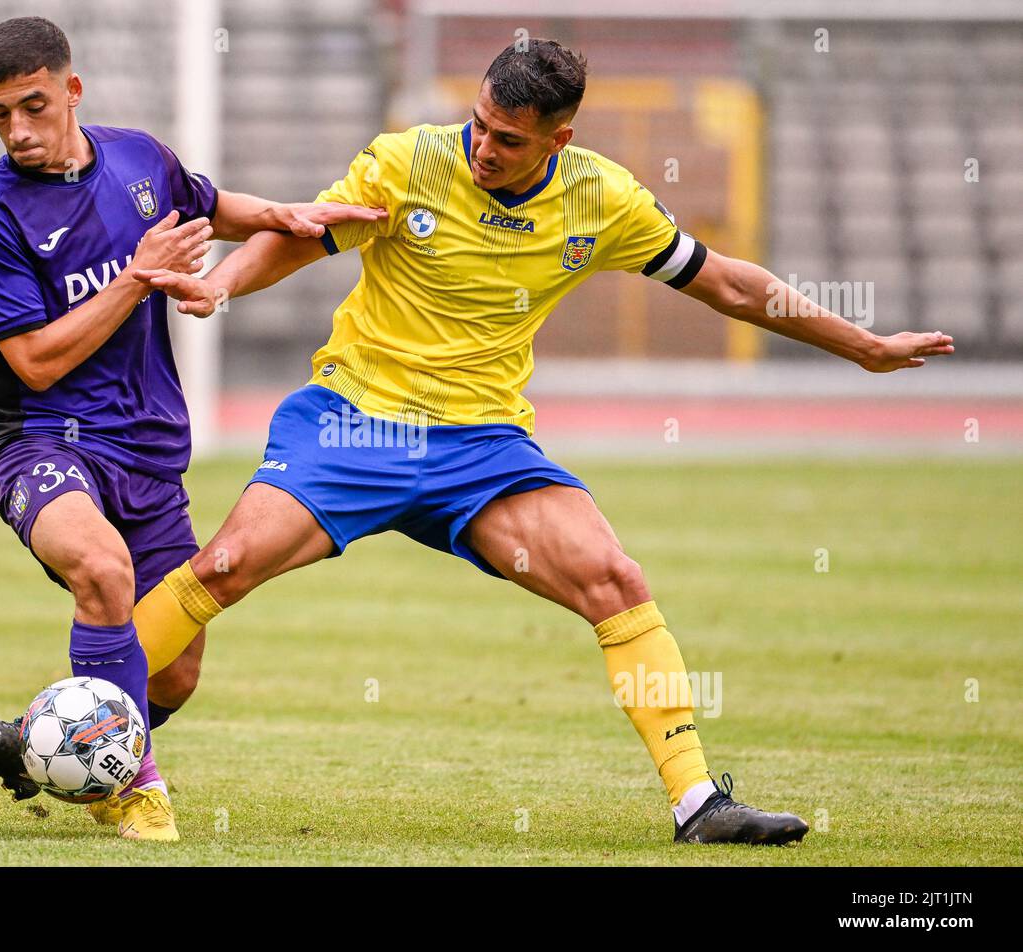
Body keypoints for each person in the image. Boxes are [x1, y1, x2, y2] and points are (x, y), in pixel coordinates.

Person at [129, 38, 955, 844]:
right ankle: (58, 730)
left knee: (614, 578)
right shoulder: (409, 160)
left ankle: (698, 803)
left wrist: (865, 346)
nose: (484, 147)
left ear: (560, 139)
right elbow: (303, 234)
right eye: (480, 124)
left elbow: (731, 283)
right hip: (355, 420)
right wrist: (221, 283)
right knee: (224, 566)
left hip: (480, 446)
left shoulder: (603, 199)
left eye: (509, 139)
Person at [0, 16, 383, 842]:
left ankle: (48, 749)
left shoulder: (140, 158)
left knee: (177, 672)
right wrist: (137, 280)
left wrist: (282, 213)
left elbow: (212, 208)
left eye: (33, 106)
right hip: (37, 437)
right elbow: (36, 362)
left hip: (145, 448)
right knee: (102, 569)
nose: (18, 130)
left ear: (71, 90)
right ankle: (137, 793)